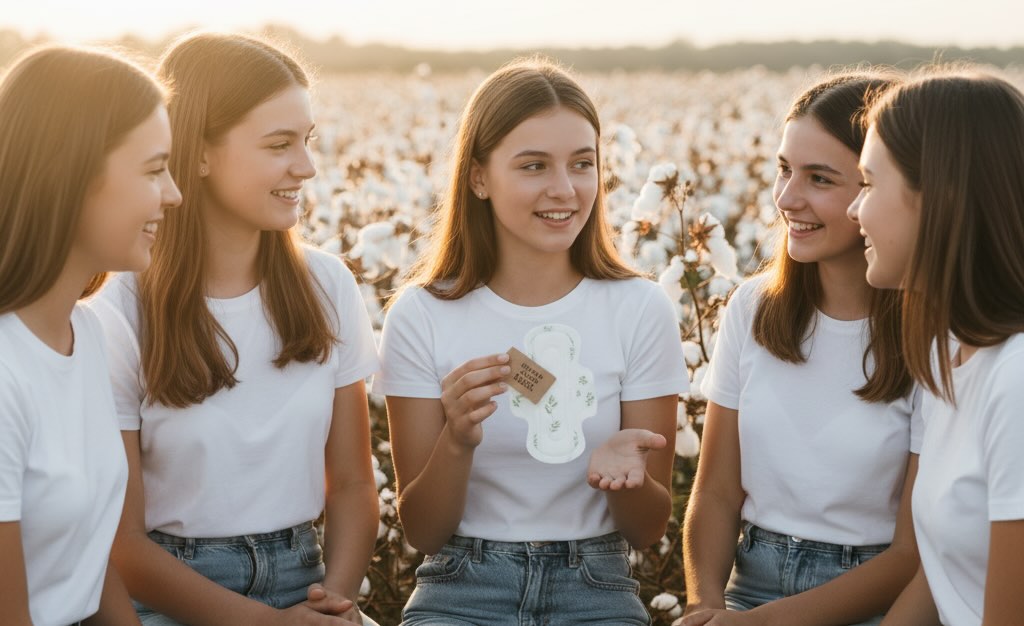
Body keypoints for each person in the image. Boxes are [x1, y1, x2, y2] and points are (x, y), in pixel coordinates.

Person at [375, 57, 688, 626]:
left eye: (582, 164)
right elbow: (422, 531)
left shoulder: (640, 309)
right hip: (459, 589)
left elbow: (647, 529)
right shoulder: (421, 314)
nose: (564, 189)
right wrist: (457, 441)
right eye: (534, 165)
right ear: (477, 177)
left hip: (597, 587)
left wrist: (624, 476)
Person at [90, 33, 380, 625]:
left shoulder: (328, 285)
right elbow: (121, 544)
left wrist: (334, 605)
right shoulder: (119, 305)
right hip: (173, 598)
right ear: (196, 153)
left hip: (311, 586)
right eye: (279, 145)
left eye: (308, 141)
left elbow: (352, 485)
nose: (307, 166)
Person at [679, 72, 921, 626]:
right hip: (744, 586)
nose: (787, 198)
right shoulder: (752, 308)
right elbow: (715, 493)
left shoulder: (928, 336)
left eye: (820, 178)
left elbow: (910, 556)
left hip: (875, 600)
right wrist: (705, 608)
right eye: (784, 170)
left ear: (882, 189)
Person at [0, 45, 180, 625]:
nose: (174, 194)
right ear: (72, 175)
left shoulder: (86, 332)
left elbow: (88, 559)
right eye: (155, 169)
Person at [849, 70, 1024, 626]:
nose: (856, 210)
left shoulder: (1015, 379)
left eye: (869, 184)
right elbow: (944, 579)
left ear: (940, 197)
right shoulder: (948, 353)